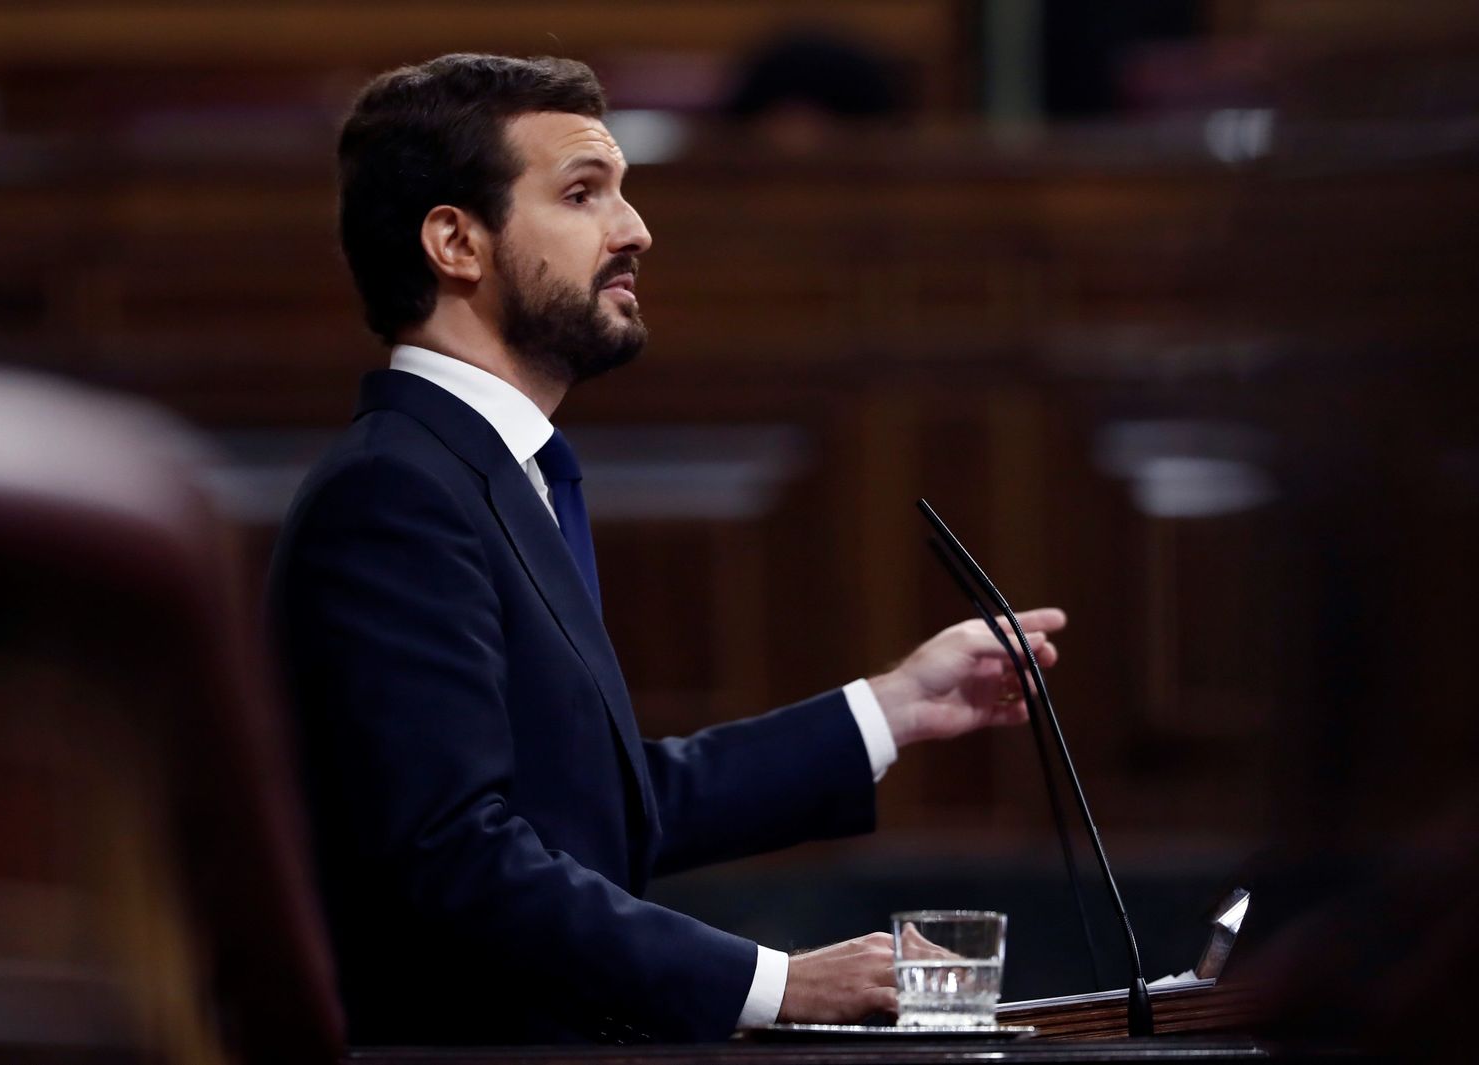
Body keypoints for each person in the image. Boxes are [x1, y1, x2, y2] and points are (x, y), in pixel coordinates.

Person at [268, 52, 1066, 1045]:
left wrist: (894, 707)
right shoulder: (394, 494)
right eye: (583, 194)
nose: (635, 229)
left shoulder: (487, 475)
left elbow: (597, 805)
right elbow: (451, 855)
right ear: (456, 242)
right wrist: (777, 983)